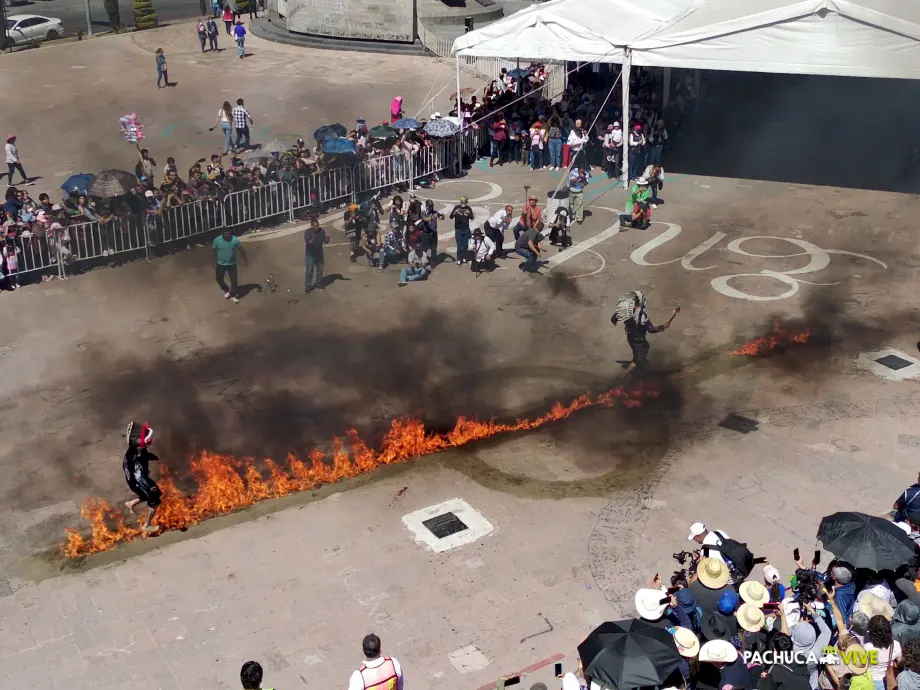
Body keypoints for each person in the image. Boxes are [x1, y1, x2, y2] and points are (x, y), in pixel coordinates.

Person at [611, 290, 678, 372]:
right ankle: (629, 375)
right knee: (639, 357)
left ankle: (639, 363)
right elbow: (651, 329)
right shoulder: (641, 315)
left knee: (643, 348)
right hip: (639, 339)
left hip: (631, 337)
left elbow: (613, 319)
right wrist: (663, 326)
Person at [122, 421, 162, 533]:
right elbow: (139, 476)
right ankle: (146, 525)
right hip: (137, 481)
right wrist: (151, 487)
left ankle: (131, 504)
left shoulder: (135, 450)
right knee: (155, 499)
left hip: (133, 479)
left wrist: (153, 457)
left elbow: (144, 456)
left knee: (145, 495)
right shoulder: (138, 453)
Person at [212, 229, 247, 303]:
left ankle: (234, 296)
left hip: (232, 264)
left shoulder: (235, 240)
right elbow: (214, 252)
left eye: (229, 234)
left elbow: (241, 250)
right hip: (220, 264)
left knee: (234, 281)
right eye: (226, 234)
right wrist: (213, 262)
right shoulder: (217, 241)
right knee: (219, 279)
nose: (228, 236)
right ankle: (226, 289)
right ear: (222, 234)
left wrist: (245, 260)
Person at [303, 218, 328, 293]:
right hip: (310, 254)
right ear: (312, 226)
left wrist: (327, 238)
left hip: (319, 254)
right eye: (316, 226)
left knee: (320, 269)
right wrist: (313, 237)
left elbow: (326, 241)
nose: (317, 227)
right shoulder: (308, 232)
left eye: (318, 225)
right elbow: (308, 243)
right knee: (309, 271)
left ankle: (319, 283)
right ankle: (308, 286)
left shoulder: (322, 231)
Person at [449, 195, 474, 266]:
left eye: (465, 202)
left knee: (465, 246)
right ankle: (459, 258)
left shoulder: (468, 208)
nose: (464, 203)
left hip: (466, 229)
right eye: (462, 202)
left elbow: (472, 217)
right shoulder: (456, 207)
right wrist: (455, 212)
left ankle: (464, 257)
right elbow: (451, 217)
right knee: (459, 246)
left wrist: (468, 213)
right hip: (458, 229)